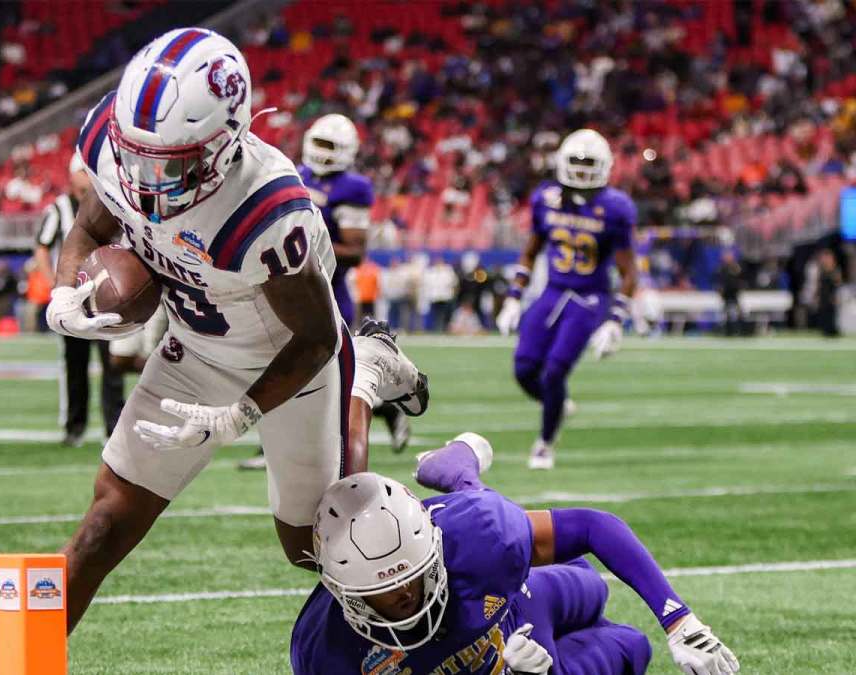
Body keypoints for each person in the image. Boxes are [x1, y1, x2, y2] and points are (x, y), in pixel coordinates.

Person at [43, 28, 425, 633]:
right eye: (133, 156)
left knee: (320, 549)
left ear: (223, 144)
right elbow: (89, 232)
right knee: (105, 524)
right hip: (193, 350)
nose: (141, 180)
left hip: (290, 359)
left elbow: (317, 337)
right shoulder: (119, 146)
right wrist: (64, 290)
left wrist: (239, 415)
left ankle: (364, 380)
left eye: (165, 164)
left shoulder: (265, 209)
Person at [291, 434, 739, 675]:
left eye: (413, 576)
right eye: (385, 590)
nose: (407, 595)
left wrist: (679, 621)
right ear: (343, 592)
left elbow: (591, 526)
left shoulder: (476, 541)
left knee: (589, 586)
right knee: (631, 650)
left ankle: (462, 475)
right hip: (519, 647)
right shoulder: (326, 653)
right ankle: (462, 475)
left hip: (511, 600)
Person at [242, 113, 408, 470]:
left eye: (330, 146)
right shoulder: (296, 173)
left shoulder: (353, 187)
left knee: (326, 376)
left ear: (347, 151)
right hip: (287, 288)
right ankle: (271, 447)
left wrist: (302, 242)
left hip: (325, 291)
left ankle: (383, 410)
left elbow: (355, 250)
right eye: (319, 143)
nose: (322, 151)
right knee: (280, 364)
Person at [496, 129, 638, 470]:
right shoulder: (546, 198)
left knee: (555, 370)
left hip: (590, 297)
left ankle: (545, 443)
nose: (583, 169)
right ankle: (558, 405)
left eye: (590, 163)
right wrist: (514, 297)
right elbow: (531, 251)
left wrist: (616, 321)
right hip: (553, 291)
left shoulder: (615, 207)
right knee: (524, 368)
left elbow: (629, 271)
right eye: (577, 161)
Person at [34, 153, 124, 446]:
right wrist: (54, 285)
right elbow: (42, 247)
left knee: (112, 364)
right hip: (72, 296)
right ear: (72, 175)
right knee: (75, 364)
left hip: (103, 296)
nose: (88, 176)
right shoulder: (59, 208)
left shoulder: (112, 203)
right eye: (82, 171)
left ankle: (114, 429)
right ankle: (75, 427)